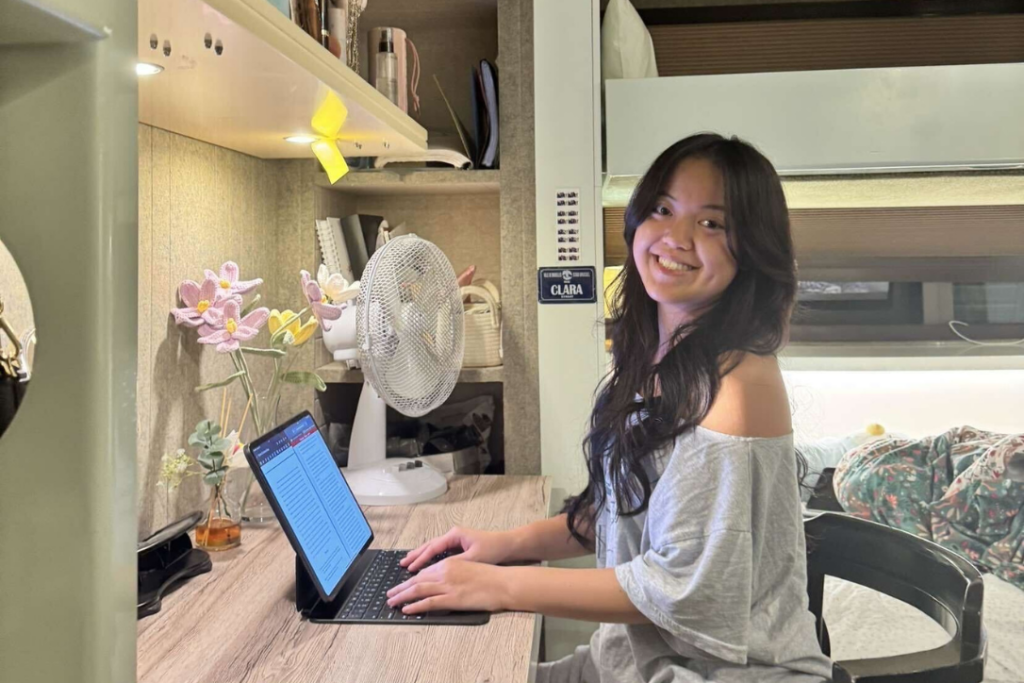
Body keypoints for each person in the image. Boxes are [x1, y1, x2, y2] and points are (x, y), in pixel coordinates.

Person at [385, 133, 833, 682]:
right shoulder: (665, 359)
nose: (676, 237)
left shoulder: (737, 386)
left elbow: (683, 584)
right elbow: (625, 506)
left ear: (752, 249)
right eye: (663, 209)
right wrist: (502, 547)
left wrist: (501, 585)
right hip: (634, 665)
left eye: (711, 223)